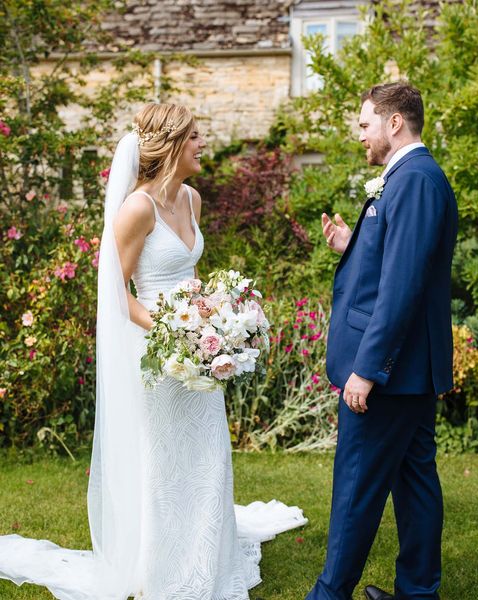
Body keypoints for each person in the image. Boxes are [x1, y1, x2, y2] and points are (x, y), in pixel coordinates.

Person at [0, 102, 306, 599]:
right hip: (159, 354)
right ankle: (160, 566)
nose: (203, 144)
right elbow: (116, 291)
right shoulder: (137, 209)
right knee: (165, 461)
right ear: (170, 146)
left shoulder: (191, 199)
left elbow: (190, 274)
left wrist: (216, 321)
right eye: (195, 137)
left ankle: (209, 553)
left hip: (200, 352)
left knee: (207, 453)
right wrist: (174, 332)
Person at [306, 83, 458, 600]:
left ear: (395, 123)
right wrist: (354, 244)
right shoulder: (406, 180)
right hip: (410, 368)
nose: (361, 134)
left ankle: (330, 594)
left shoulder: (414, 179)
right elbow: (396, 261)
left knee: (356, 486)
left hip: (392, 370)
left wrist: (368, 369)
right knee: (415, 483)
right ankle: (418, 593)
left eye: (366, 123)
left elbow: (402, 286)